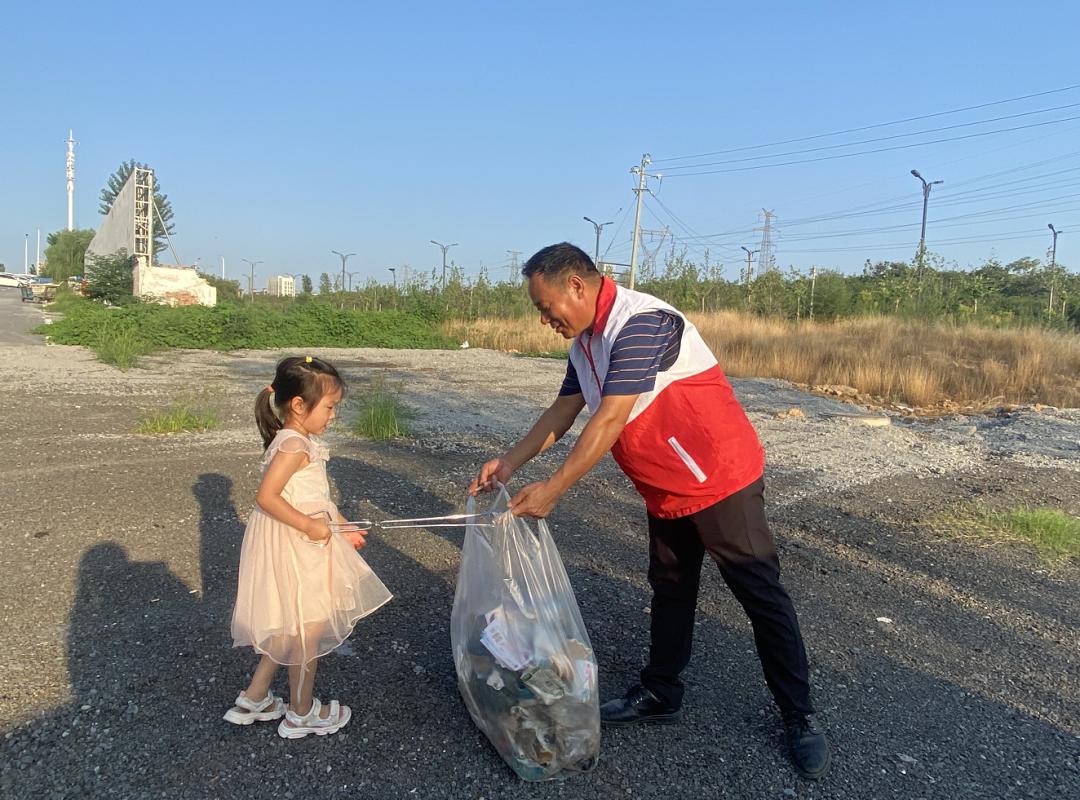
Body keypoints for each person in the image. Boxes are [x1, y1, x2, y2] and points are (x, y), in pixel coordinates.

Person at [469, 243, 830, 779]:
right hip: (665, 487)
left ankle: (799, 716)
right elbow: (565, 409)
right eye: (539, 312)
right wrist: (510, 464)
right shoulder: (584, 342)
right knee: (670, 587)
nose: (544, 319)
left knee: (759, 593)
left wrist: (556, 487)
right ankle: (662, 693)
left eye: (547, 307)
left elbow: (610, 417)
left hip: (719, 477)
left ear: (577, 284)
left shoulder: (644, 323)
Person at [226, 355, 392, 739]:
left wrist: (338, 523)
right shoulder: (295, 445)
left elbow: (308, 498)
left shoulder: (297, 440)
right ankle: (301, 713)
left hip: (299, 540)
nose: (334, 416)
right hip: (298, 547)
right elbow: (267, 497)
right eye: (330, 407)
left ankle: (256, 697)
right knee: (307, 630)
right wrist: (308, 526)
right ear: (298, 405)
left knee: (291, 624)